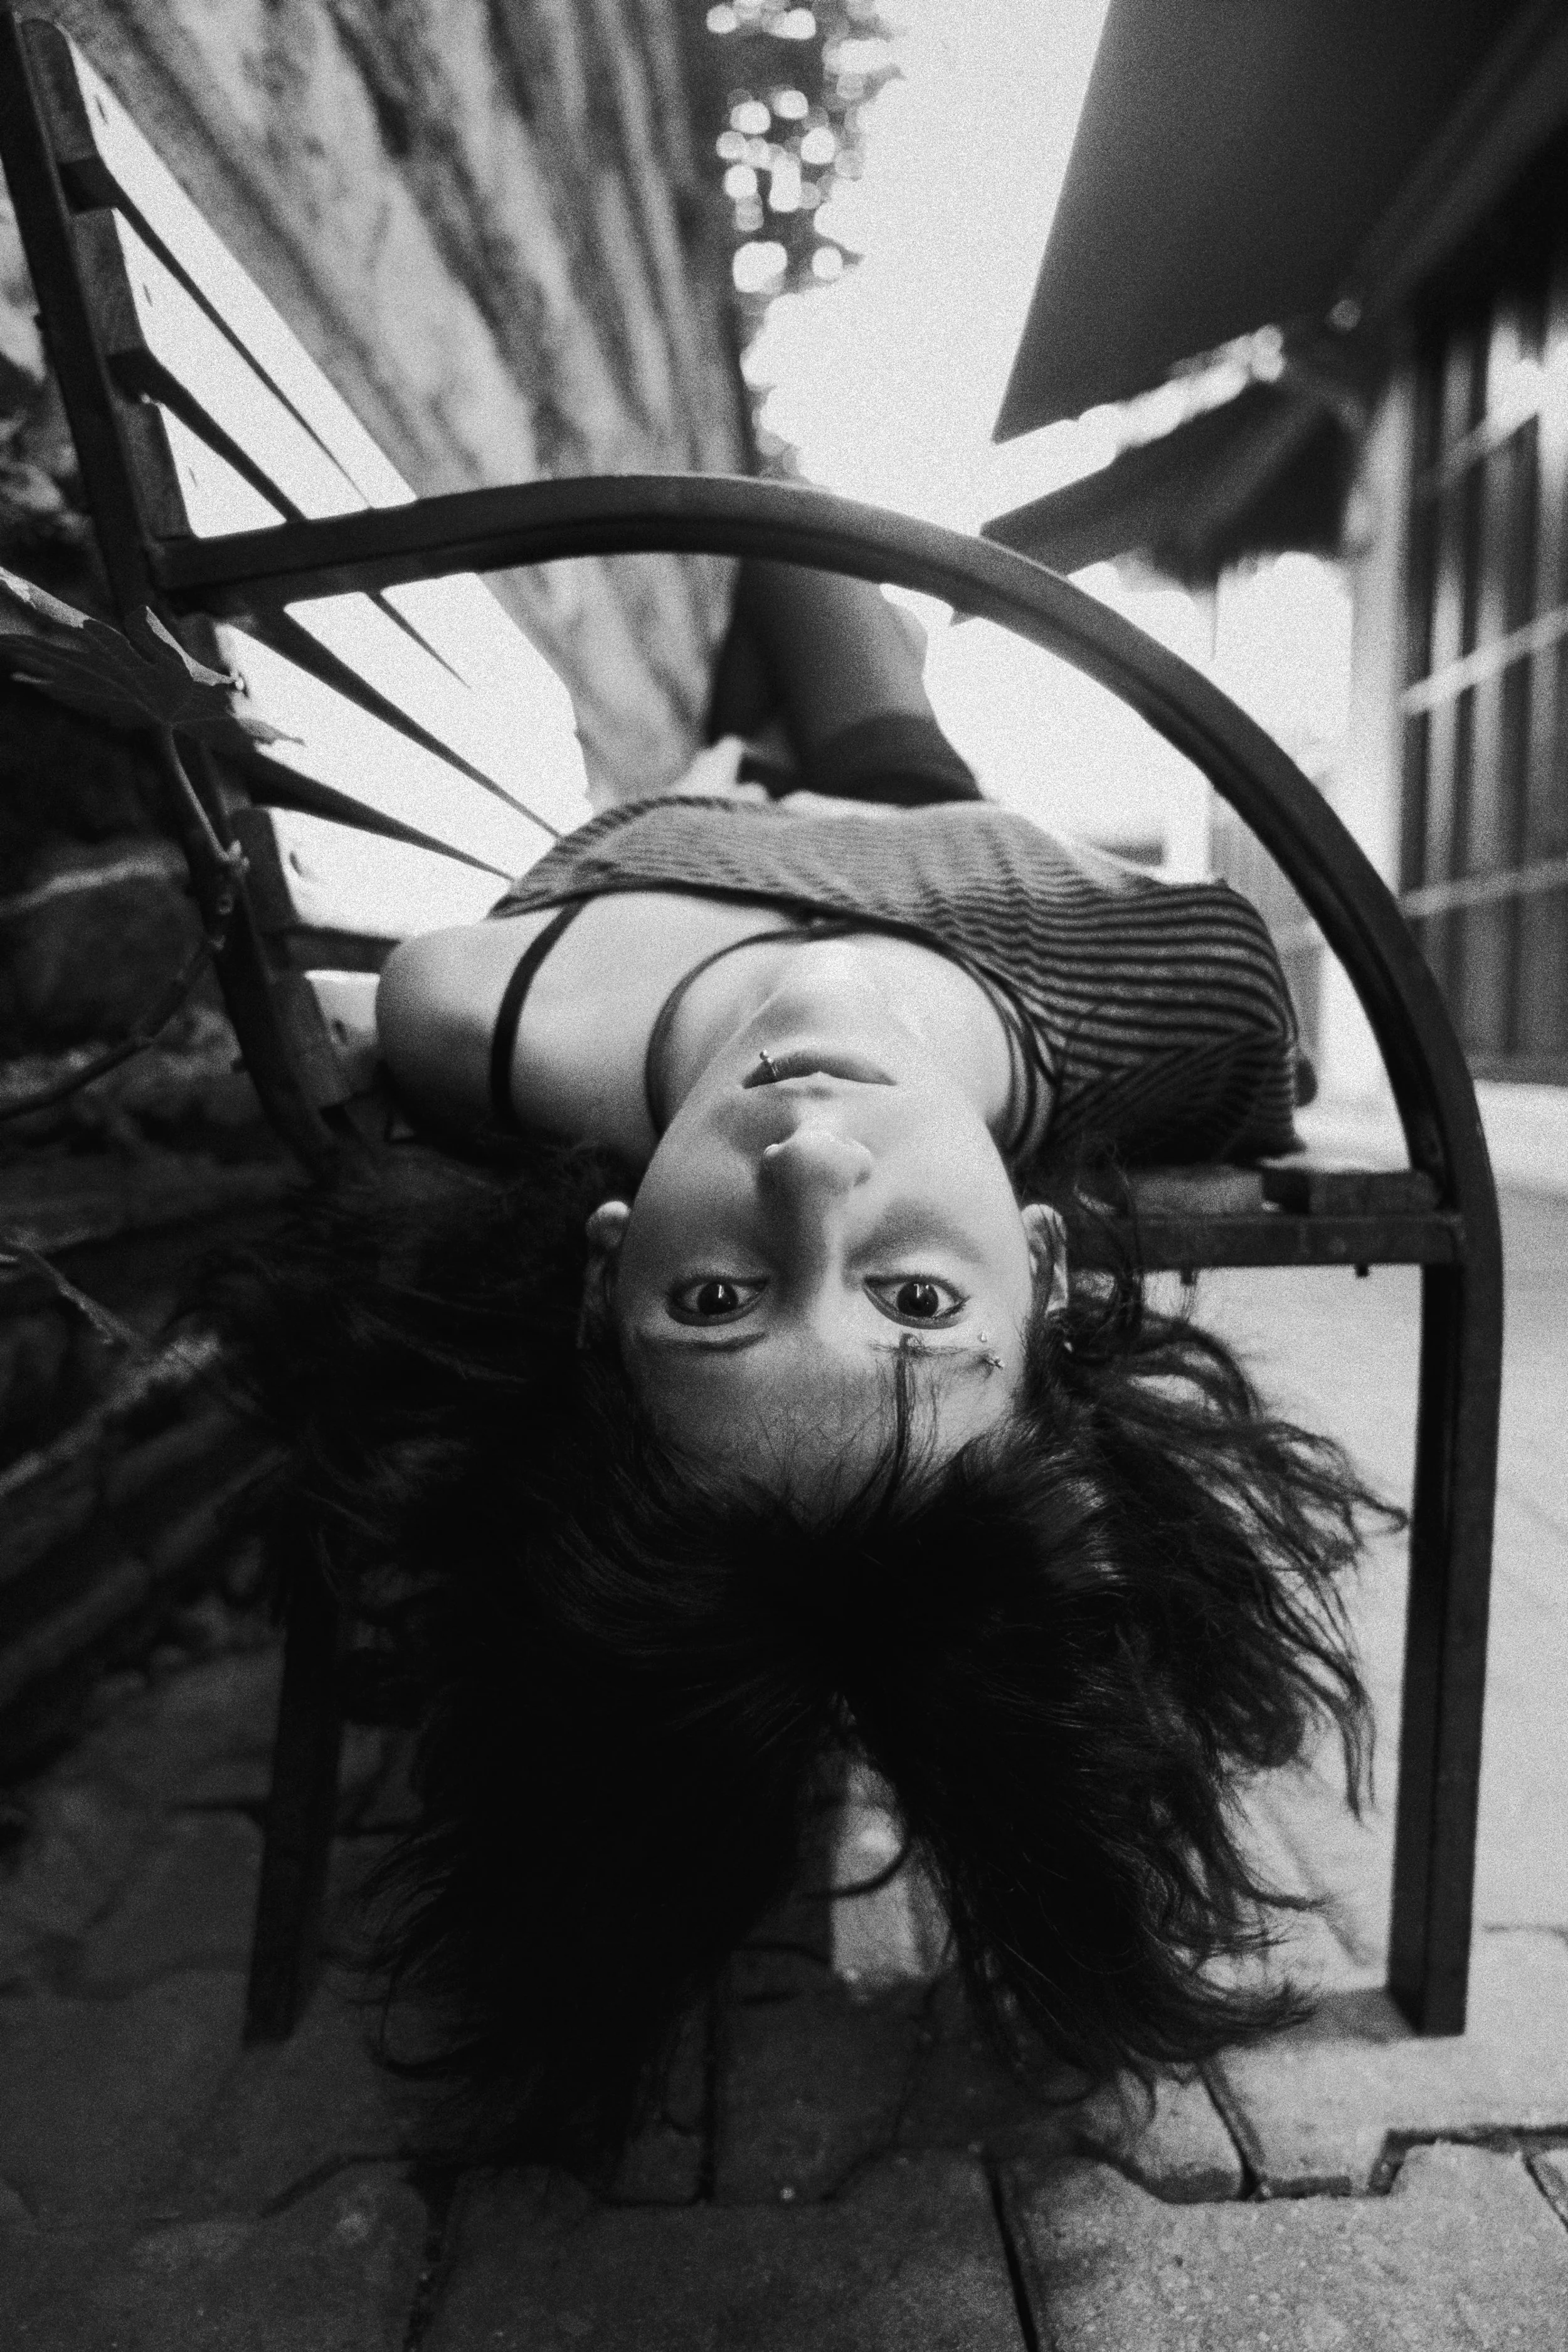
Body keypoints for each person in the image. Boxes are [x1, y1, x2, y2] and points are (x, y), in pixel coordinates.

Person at [218, 562, 1381, 2171]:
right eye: (912, 1301)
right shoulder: (1169, 1003)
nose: (810, 1171)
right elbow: (1254, 1006)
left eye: (711, 1298)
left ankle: (735, 755)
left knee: (767, 600)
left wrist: (710, 809)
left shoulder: (476, 1011)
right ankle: (779, 731)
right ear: (1042, 1268)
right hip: (913, 790)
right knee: (796, 560)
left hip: (704, 807)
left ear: (602, 1259)